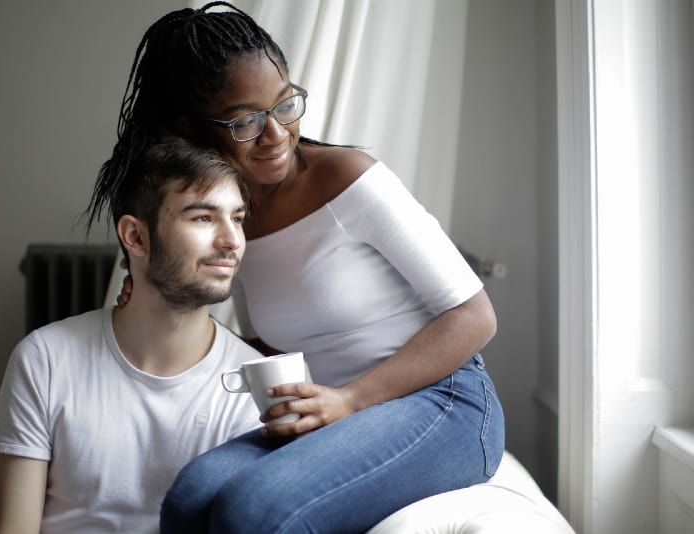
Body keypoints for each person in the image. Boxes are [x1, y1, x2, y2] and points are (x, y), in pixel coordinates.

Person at [105, 3, 506, 532]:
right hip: (331, 410)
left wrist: (350, 400)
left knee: (252, 510)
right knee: (191, 498)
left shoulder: (350, 180)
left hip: (446, 401)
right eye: (245, 120)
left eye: (285, 103)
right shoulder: (230, 214)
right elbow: (271, 342)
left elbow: (476, 317)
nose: (275, 133)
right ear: (193, 129)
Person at [0, 136, 264, 534]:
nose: (231, 241)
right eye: (202, 217)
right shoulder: (45, 360)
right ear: (135, 237)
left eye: (236, 218)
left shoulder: (254, 383)